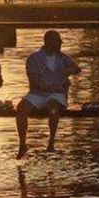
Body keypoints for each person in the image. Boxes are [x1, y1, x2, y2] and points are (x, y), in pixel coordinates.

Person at [15, 30, 80, 158]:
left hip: (57, 94)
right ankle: (22, 144)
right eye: (57, 42)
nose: (60, 45)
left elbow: (77, 68)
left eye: (60, 42)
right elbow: (33, 81)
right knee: (21, 108)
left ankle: (51, 142)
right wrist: (49, 86)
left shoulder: (62, 57)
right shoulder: (33, 58)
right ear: (48, 42)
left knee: (53, 107)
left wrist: (68, 71)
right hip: (38, 92)